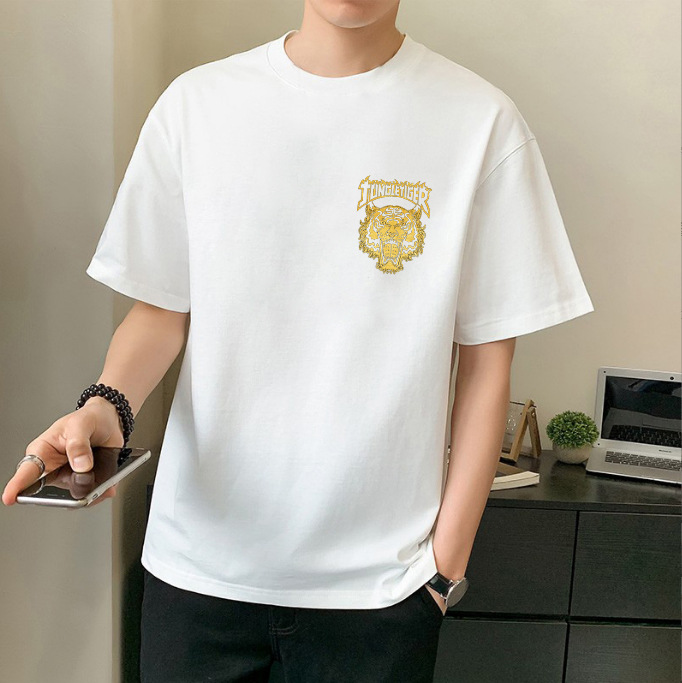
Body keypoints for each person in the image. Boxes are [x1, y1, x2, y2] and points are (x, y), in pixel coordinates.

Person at [3, 1, 595, 681]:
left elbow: (488, 362)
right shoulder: (196, 106)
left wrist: (443, 571)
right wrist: (105, 406)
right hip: (196, 574)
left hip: (381, 594)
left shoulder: (482, 123)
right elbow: (160, 313)